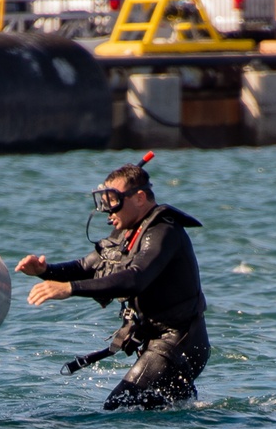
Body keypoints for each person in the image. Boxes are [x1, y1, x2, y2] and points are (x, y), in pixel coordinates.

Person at [16, 161, 211, 411]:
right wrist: (45, 271)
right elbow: (86, 266)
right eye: (105, 202)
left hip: (179, 342)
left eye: (114, 201)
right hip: (159, 343)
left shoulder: (164, 231)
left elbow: (135, 278)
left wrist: (70, 289)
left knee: (118, 408)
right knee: (157, 410)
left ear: (140, 198)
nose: (108, 210)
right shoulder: (127, 233)